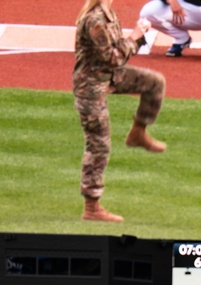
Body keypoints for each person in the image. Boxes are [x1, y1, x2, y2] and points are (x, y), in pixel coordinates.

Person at [74, 0, 167, 223]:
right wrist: (135, 36)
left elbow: (114, 57)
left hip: (109, 76)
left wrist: (137, 36)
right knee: (99, 144)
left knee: (154, 83)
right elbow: (113, 57)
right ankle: (92, 206)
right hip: (90, 86)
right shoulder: (95, 20)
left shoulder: (107, 12)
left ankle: (138, 133)